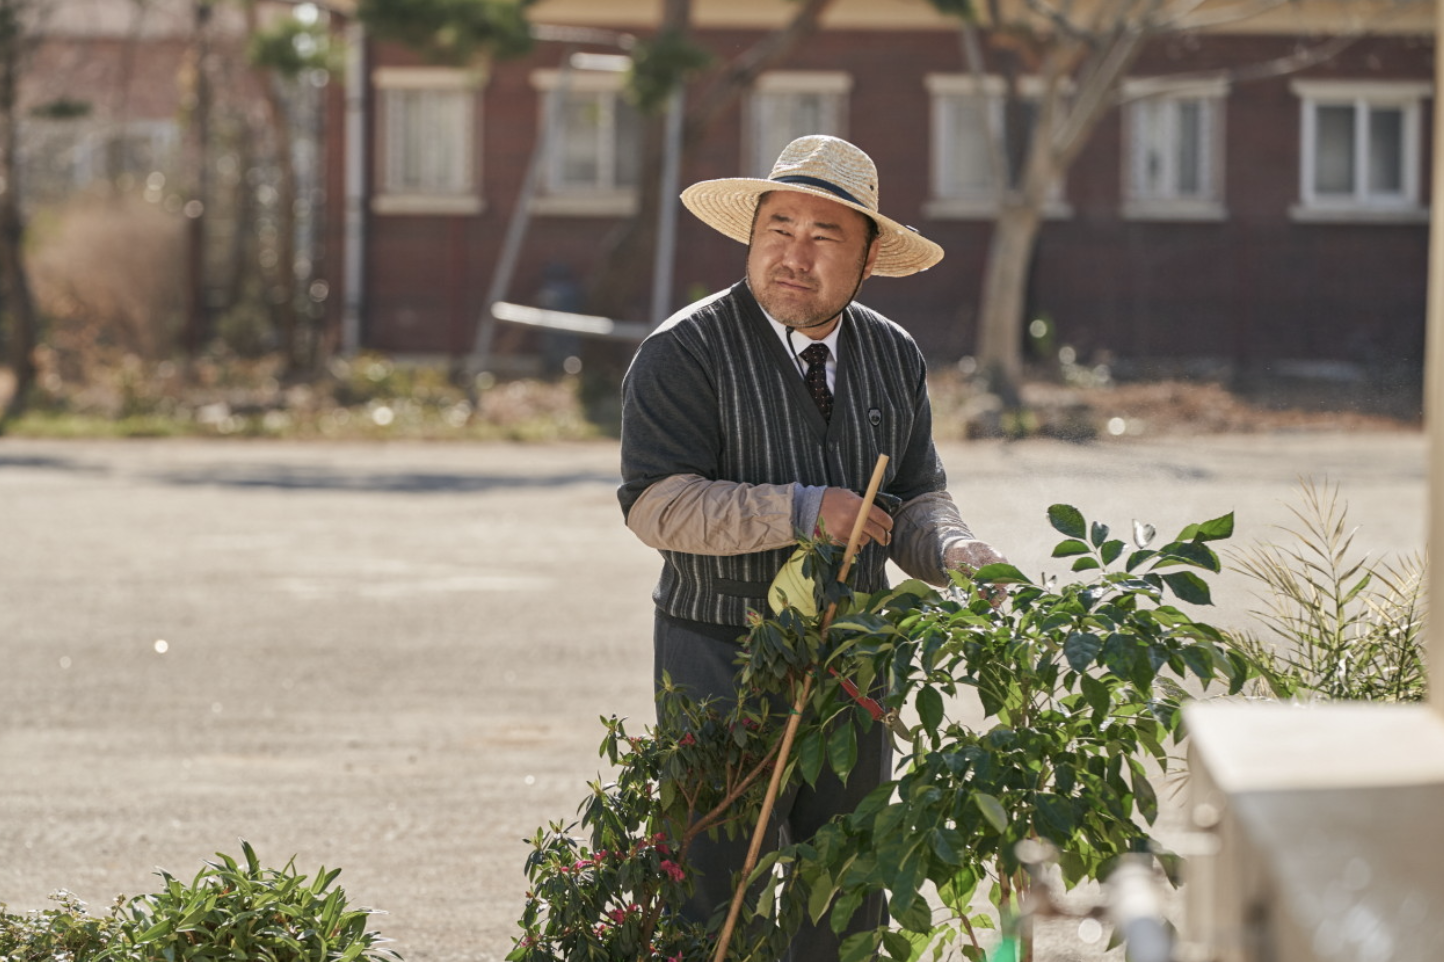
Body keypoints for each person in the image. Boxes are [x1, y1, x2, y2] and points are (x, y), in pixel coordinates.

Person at [617, 135, 1007, 961]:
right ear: (750, 237)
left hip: (854, 669)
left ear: (868, 260)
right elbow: (658, 508)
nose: (794, 255)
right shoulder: (683, 352)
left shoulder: (892, 354)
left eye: (824, 237)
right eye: (778, 228)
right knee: (715, 890)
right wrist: (800, 510)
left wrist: (958, 552)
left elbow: (914, 498)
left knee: (848, 885)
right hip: (718, 656)